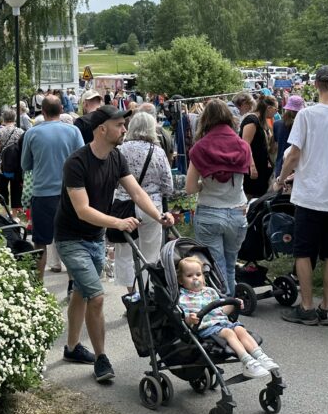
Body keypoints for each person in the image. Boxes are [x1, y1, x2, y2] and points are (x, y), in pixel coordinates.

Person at [56, 105, 175, 383]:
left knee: (82, 293)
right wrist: (118, 223)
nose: (124, 129)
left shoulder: (116, 157)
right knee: (96, 296)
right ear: (102, 129)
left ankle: (72, 348)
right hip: (71, 237)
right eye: (119, 125)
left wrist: (159, 216)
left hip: (95, 237)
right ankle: (101, 358)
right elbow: (82, 209)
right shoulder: (76, 162)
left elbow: (136, 191)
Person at [274, 66, 328, 326]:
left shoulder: (307, 116)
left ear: (315, 85)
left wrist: (281, 179)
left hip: (311, 194)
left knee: (303, 251)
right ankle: (327, 308)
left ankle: (308, 306)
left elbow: (295, 154)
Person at [184, 99, 252, 296]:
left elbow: (189, 188)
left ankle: (222, 311)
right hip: (238, 211)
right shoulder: (242, 146)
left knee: (215, 268)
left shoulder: (200, 148)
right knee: (230, 266)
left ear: (205, 119)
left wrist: (204, 184)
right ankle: (231, 310)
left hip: (210, 212)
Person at [176, 256, 278, 379]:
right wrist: (190, 319)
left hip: (222, 322)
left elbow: (221, 311)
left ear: (203, 277)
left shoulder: (210, 291)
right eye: (189, 276)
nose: (195, 278)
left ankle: (260, 356)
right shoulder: (184, 298)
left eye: (198, 274)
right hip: (206, 326)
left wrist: (234, 304)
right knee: (229, 333)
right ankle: (247, 362)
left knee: (241, 329)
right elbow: (184, 317)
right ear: (181, 281)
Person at [111, 111, 174, 294]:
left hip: (124, 205)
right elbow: (168, 185)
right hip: (152, 207)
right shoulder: (158, 152)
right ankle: (146, 293)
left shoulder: (120, 150)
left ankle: (132, 296)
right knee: (150, 253)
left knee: (125, 252)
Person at [21, 97, 83, 280]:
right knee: (72, 240)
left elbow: (26, 165)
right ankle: (74, 283)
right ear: (62, 109)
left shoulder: (32, 133)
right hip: (70, 193)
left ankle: (38, 284)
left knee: (40, 241)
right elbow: (81, 160)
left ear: (42, 110)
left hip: (42, 193)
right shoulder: (73, 131)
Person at [240, 95, 275, 199]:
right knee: (252, 196)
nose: (276, 112)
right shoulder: (252, 120)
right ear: (268, 108)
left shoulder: (261, 121)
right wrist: (252, 166)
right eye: (276, 109)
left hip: (261, 167)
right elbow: (245, 144)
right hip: (252, 168)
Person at [0, 110, 26, 209]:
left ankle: (4, 209)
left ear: (3, 118)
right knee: (16, 189)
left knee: (3, 187)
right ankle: (15, 214)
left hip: (3, 164)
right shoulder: (20, 131)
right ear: (15, 118)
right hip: (17, 165)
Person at [273, 94, 303, 177]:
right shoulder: (303, 126)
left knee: (280, 188)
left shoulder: (277, 124)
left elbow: (275, 145)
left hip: (281, 165)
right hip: (299, 167)